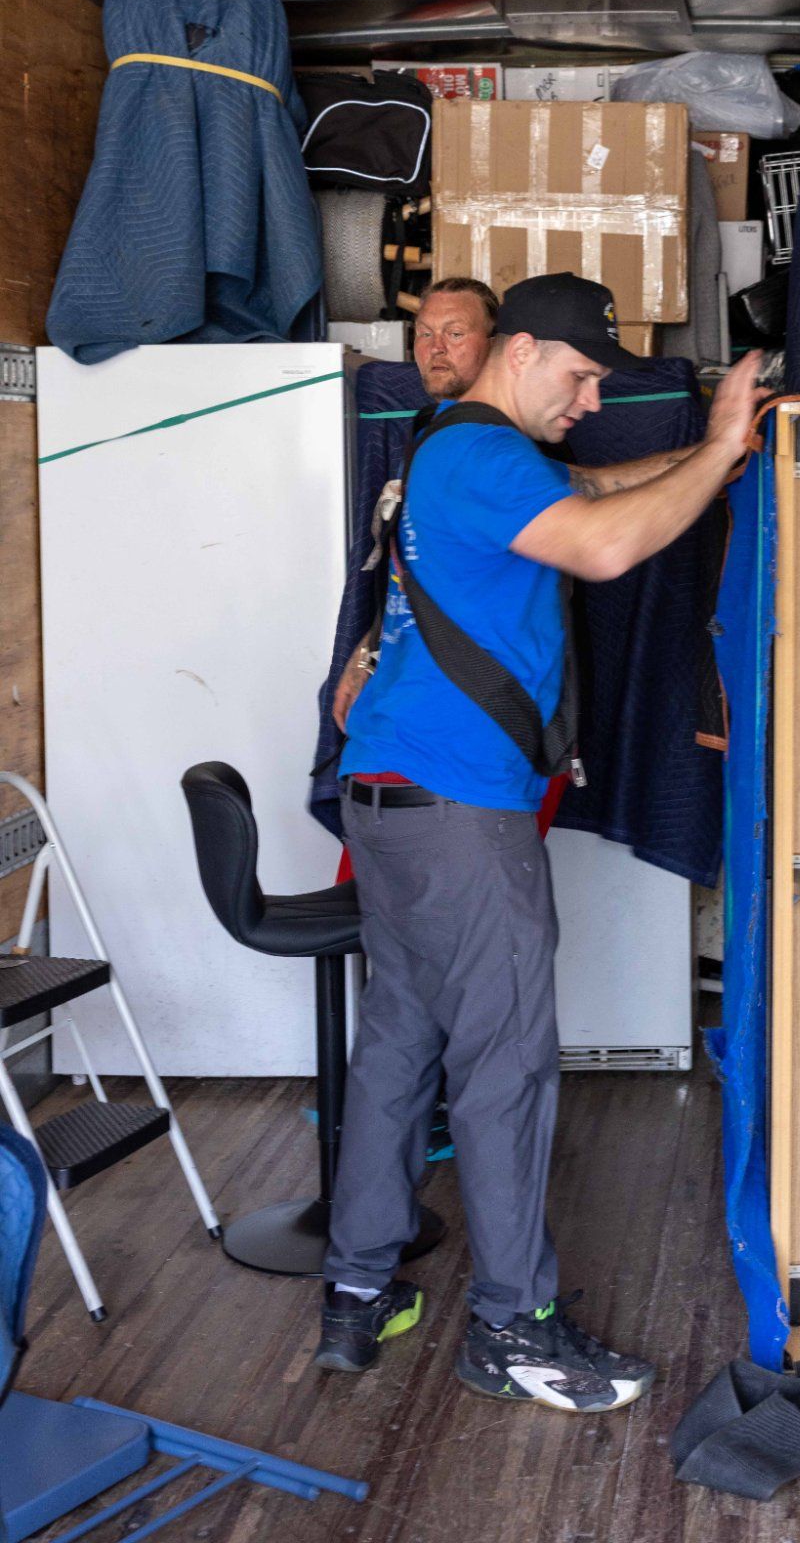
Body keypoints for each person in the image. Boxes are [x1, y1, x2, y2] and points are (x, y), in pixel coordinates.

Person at [315, 272, 764, 1414]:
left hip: (394, 799)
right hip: (458, 811)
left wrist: (699, 460)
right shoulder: (478, 453)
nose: (590, 393)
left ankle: (358, 1292)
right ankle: (514, 1323)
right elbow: (605, 543)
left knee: (399, 1050)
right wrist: (714, 450)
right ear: (517, 353)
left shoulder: (457, 448)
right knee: (506, 1064)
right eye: (577, 373)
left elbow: (593, 483)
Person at [331, 274, 498, 735]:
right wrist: (367, 653)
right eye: (424, 333)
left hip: (472, 717)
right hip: (405, 706)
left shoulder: (509, 444)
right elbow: (415, 578)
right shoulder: (427, 434)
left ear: (497, 343)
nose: (435, 348)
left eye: (455, 333)